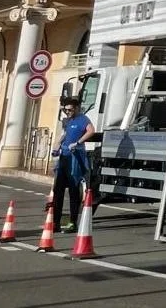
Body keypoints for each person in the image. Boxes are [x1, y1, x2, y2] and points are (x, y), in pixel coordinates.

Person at [51, 98, 95, 232]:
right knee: (58, 190)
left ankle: (72, 222)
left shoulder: (83, 119)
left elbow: (91, 131)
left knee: (73, 190)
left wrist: (78, 143)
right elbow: (65, 134)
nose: (67, 112)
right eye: (66, 110)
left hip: (75, 158)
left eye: (70, 109)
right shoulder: (69, 121)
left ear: (77, 108)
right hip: (64, 157)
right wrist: (58, 144)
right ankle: (56, 222)